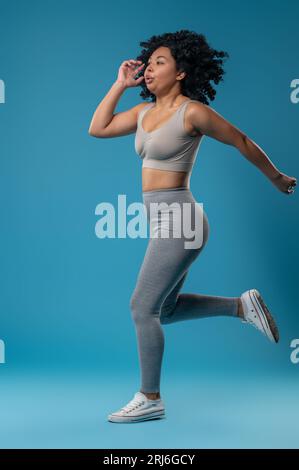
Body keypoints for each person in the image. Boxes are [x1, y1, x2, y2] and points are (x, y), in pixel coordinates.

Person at [88, 30, 297, 424]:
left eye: (159, 63)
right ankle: (240, 306)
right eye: (147, 65)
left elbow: (241, 140)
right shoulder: (144, 114)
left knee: (140, 308)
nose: (149, 70)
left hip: (181, 219)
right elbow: (97, 128)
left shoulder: (192, 112)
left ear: (181, 71)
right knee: (161, 310)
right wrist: (119, 84)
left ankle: (150, 397)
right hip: (160, 221)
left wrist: (276, 177)